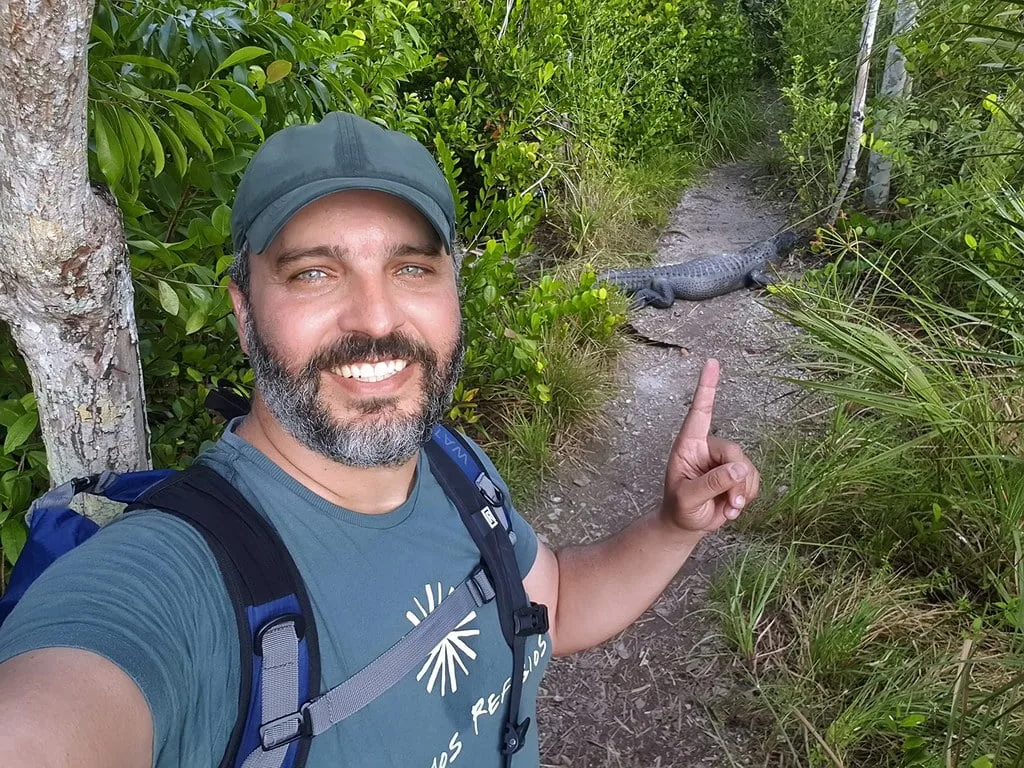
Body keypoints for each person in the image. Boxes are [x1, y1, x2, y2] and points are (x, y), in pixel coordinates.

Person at [0, 111, 759, 767]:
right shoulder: (173, 580)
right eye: (313, 275)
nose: (374, 318)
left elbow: (549, 605)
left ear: (454, 287)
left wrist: (670, 527)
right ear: (241, 311)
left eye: (411, 267)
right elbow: (52, 715)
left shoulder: (454, 470)